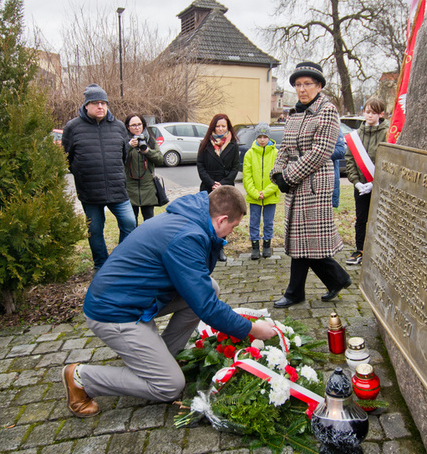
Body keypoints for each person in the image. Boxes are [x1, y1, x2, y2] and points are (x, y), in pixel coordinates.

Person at [61, 186, 277, 416]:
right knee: (169, 386)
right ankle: (81, 378)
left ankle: (166, 357)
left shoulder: (191, 219)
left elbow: (201, 290)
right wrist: (252, 329)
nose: (231, 233)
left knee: (211, 288)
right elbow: (206, 307)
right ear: (222, 219)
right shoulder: (187, 237)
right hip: (115, 312)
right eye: (232, 228)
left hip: (134, 299)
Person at [270, 62, 351, 308]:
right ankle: (337, 279)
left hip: (315, 183)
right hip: (297, 183)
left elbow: (321, 152)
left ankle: (296, 292)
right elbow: (285, 147)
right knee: (304, 239)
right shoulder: (295, 113)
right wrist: (277, 173)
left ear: (318, 85)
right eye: (298, 84)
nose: (302, 89)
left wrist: (289, 176)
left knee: (304, 238)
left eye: (307, 84)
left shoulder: (327, 110)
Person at [62, 84, 136, 270]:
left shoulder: (119, 127)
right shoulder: (72, 127)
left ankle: (119, 261)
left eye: (103, 103)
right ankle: (101, 265)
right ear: (86, 105)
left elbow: (124, 156)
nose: (100, 106)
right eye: (95, 103)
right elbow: (66, 157)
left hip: (117, 189)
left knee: (129, 223)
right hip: (89, 191)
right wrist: (82, 173)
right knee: (95, 230)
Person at [344, 97, 389, 265]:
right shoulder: (357, 135)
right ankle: (359, 250)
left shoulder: (387, 133)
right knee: (361, 219)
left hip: (379, 186)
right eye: (367, 112)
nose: (369, 116)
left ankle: (378, 250)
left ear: (380, 114)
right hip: (361, 186)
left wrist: (375, 182)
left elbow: (388, 161)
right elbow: (350, 160)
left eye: (373, 112)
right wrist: (356, 182)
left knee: (379, 219)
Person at [196, 113, 239, 262]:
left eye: (223, 126)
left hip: (225, 187)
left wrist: (223, 183)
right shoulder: (205, 143)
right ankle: (206, 249)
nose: (220, 129)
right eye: (218, 126)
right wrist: (211, 183)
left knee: (223, 219)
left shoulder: (233, 144)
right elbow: (200, 165)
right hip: (208, 186)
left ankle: (219, 249)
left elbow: (235, 168)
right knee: (207, 218)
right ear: (213, 127)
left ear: (228, 128)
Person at [242, 124, 279, 260]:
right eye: (259, 137)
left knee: (268, 222)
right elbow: (247, 177)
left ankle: (267, 245)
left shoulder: (276, 153)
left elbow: (277, 176)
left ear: (269, 137)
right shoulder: (249, 154)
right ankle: (255, 246)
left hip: (270, 196)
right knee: (254, 222)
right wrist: (255, 193)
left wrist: (266, 192)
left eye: (265, 137)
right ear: (256, 137)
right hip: (254, 196)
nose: (262, 140)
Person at [123, 113, 164, 225]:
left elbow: (160, 159)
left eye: (139, 124)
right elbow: (118, 160)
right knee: (131, 221)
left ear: (143, 125)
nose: (137, 127)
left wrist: (147, 151)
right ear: (128, 127)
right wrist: (129, 146)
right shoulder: (123, 140)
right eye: (133, 125)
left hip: (148, 187)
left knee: (149, 221)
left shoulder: (150, 139)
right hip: (130, 187)